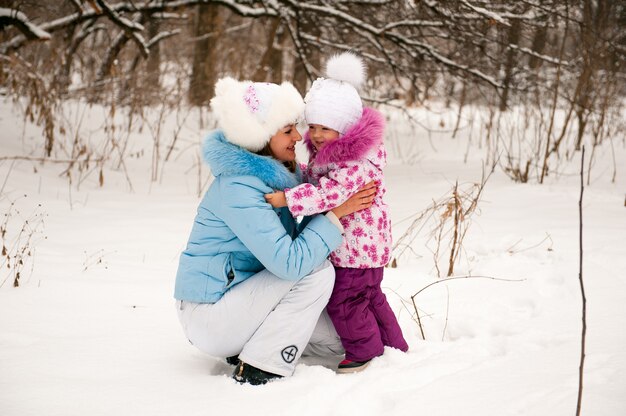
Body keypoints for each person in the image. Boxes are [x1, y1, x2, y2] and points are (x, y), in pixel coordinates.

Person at [173, 76, 376, 385]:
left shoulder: (280, 177)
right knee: (316, 272)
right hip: (210, 315)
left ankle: (251, 346)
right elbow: (291, 264)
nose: (299, 135)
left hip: (248, 299)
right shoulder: (238, 187)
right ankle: (260, 365)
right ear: (261, 136)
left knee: (341, 337)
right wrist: (335, 215)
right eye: (287, 130)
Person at [265, 52, 408, 373]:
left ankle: (364, 351)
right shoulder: (343, 154)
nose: (315, 134)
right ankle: (393, 345)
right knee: (372, 297)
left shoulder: (352, 162)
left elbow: (328, 193)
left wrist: (287, 199)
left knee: (344, 301)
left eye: (325, 128)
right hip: (368, 249)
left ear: (344, 127)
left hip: (353, 250)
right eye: (312, 126)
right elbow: (321, 177)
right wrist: (299, 170)